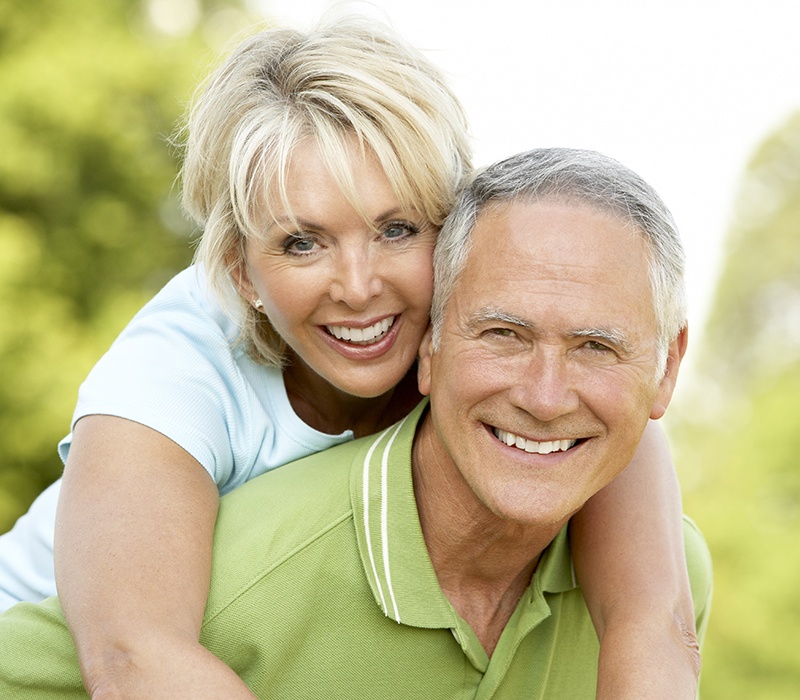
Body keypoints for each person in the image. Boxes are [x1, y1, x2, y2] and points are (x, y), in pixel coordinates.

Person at [0, 16, 696, 699]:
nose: (359, 288)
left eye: (397, 229)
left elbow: (648, 602)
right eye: (303, 242)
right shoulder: (170, 378)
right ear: (241, 271)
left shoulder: (484, 346)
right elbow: (134, 663)